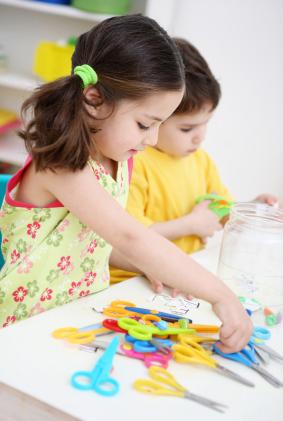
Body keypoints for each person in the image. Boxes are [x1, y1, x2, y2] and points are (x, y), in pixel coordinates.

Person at [0, 16, 252, 352]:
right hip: (23, 328)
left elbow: (100, 244)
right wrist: (220, 295)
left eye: (160, 124)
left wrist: (153, 267)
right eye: (145, 123)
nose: (152, 139)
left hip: (72, 318)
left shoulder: (119, 157)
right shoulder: (62, 164)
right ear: (94, 99)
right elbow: (130, 236)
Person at [110, 37, 279, 294]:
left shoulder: (200, 160)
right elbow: (131, 236)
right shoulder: (134, 163)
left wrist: (253, 209)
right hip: (135, 281)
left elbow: (221, 211)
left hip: (183, 277)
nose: (200, 136)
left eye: (205, 124)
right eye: (187, 128)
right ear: (156, 118)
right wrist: (191, 224)